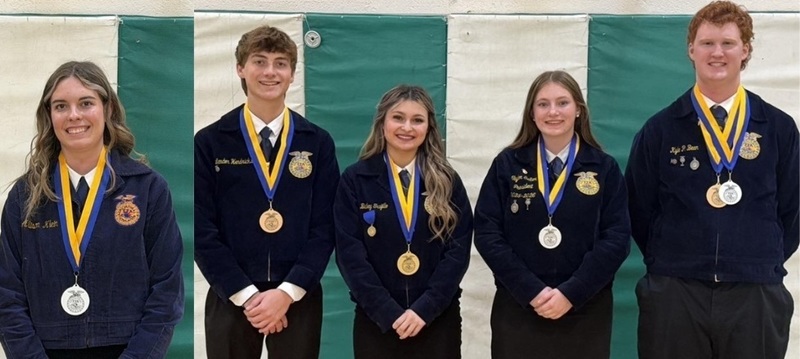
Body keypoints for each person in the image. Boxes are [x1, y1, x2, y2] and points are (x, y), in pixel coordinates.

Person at [626, 1, 799, 358]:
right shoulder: (660, 129)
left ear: (745, 50)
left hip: (754, 290)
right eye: (707, 43)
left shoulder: (779, 128)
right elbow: (638, 208)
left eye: (727, 43)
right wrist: (673, 259)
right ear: (691, 49)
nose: (717, 53)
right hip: (676, 290)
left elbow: (793, 209)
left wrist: (756, 258)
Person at [0, 61, 184, 358]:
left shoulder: (148, 189)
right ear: (49, 115)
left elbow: (167, 291)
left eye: (86, 103)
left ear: (107, 109)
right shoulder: (25, 196)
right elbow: (7, 295)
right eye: (61, 106)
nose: (73, 115)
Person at [194, 24, 340, 359]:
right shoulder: (211, 141)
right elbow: (201, 229)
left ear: (292, 74)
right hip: (231, 294)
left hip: (297, 295)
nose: (270, 72)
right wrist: (247, 295)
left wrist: (287, 293)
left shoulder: (317, 142)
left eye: (280, 63)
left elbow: (326, 226)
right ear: (240, 69)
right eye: (259, 61)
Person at [474, 70, 630, 359]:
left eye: (562, 102)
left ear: (578, 110)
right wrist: (531, 291)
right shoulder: (507, 165)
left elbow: (617, 238)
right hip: (520, 309)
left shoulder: (603, 168)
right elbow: (487, 233)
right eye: (543, 104)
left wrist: (571, 293)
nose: (553, 112)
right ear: (532, 113)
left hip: (585, 310)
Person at [334, 85, 473, 359]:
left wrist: (425, 309)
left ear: (428, 127)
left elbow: (457, 253)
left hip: (436, 320)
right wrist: (386, 312)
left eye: (417, 120)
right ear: (382, 122)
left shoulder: (447, 181)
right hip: (377, 322)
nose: (407, 127)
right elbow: (350, 255)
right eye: (398, 117)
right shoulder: (356, 181)